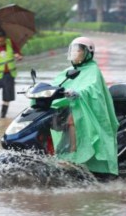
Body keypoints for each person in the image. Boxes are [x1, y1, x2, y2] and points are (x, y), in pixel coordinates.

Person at [49, 36, 119, 177]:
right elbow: (56, 84)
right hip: (70, 105)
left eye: (79, 50)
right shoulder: (69, 70)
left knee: (72, 119)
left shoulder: (93, 70)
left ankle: (74, 155)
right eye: (73, 50)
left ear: (88, 53)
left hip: (87, 108)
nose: (75, 53)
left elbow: (93, 89)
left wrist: (78, 93)